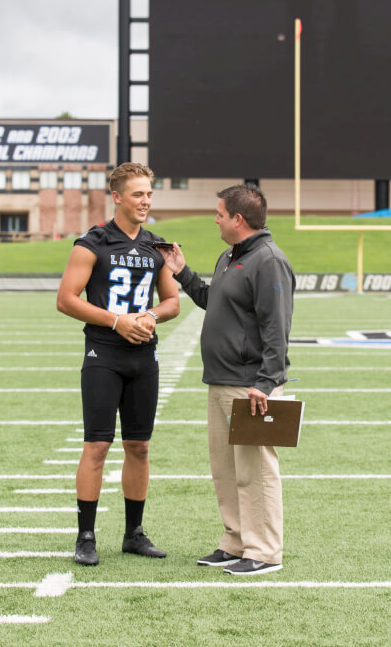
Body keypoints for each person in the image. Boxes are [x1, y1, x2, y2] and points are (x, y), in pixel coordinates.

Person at [162, 183, 295, 575]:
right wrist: (182, 272)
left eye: (219, 214)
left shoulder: (268, 260)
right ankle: (237, 541)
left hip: (250, 384)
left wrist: (268, 383)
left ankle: (265, 551)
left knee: (255, 471)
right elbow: (210, 300)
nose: (215, 219)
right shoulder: (229, 256)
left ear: (238, 219)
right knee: (226, 470)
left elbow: (277, 327)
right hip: (221, 380)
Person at [57, 162, 180, 566]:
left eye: (149, 193)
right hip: (103, 355)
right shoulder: (92, 242)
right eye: (138, 194)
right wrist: (116, 320)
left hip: (144, 357)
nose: (145, 201)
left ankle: (133, 533)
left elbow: (172, 301)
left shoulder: (156, 246)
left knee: (140, 446)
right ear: (117, 197)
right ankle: (86, 536)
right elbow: (67, 298)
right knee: (97, 445)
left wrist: (152, 317)